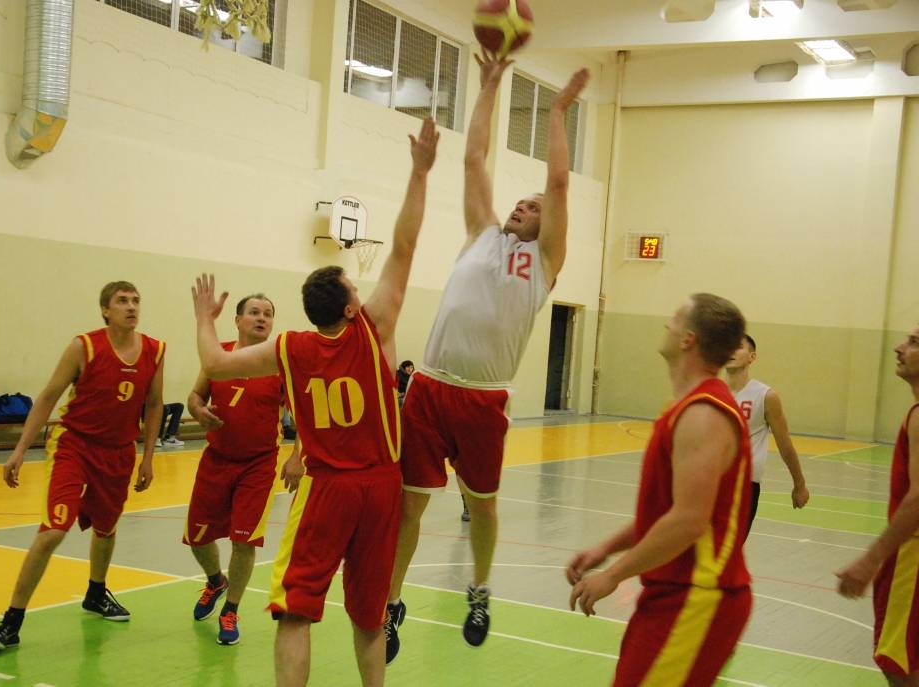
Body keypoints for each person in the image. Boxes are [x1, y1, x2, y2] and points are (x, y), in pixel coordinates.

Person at [191, 117, 438, 686]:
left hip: (327, 489)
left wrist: (203, 319)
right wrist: (419, 173)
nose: (362, 292)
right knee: (369, 618)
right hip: (380, 487)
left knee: (295, 612)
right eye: (356, 288)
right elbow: (404, 244)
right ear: (351, 307)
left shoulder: (290, 348)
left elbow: (215, 364)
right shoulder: (372, 330)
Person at [384, 51, 590, 661]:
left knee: (483, 505)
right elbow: (474, 158)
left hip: (483, 398)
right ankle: (391, 603)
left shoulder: (544, 261)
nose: (523, 207)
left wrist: (558, 112)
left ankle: (478, 589)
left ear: (549, 224)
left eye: (534, 206)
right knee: (409, 505)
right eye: (519, 202)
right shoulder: (480, 233)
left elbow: (559, 184)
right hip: (429, 387)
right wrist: (490, 83)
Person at [566, 294, 752, 687]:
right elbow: (667, 513)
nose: (666, 324)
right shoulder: (684, 407)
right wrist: (606, 547)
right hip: (675, 594)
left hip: (697, 596)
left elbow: (688, 521)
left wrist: (613, 575)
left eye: (674, 318)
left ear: (687, 339)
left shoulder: (703, 414)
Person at [0, 281, 165, 651]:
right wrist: (19, 450)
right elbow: (49, 396)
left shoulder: (155, 350)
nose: (131, 307)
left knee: (107, 529)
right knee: (53, 530)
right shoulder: (84, 346)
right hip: (75, 445)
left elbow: (155, 404)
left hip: (119, 452)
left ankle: (96, 593)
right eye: (122, 301)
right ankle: (11, 622)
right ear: (105, 310)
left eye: (136, 301)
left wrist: (148, 457)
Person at [183, 292, 289, 646]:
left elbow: (303, 414)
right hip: (216, 459)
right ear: (238, 320)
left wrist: (298, 457)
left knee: (244, 540)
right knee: (198, 537)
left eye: (268, 313)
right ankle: (216, 581)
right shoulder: (219, 356)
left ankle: (230, 610)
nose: (262, 318)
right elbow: (194, 396)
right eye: (254, 312)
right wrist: (198, 411)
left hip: (258, 464)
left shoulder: (280, 363)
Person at [836, 325, 919, 686]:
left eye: (914, 342)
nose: (899, 348)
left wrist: (871, 560)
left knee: (897, 662)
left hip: (912, 557)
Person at [725, 334, 809, 530]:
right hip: (711, 483)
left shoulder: (765, 396)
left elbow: (785, 445)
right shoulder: (713, 392)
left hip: (745, 486)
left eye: (738, 346)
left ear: (752, 356)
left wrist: (799, 484)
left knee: (731, 546)